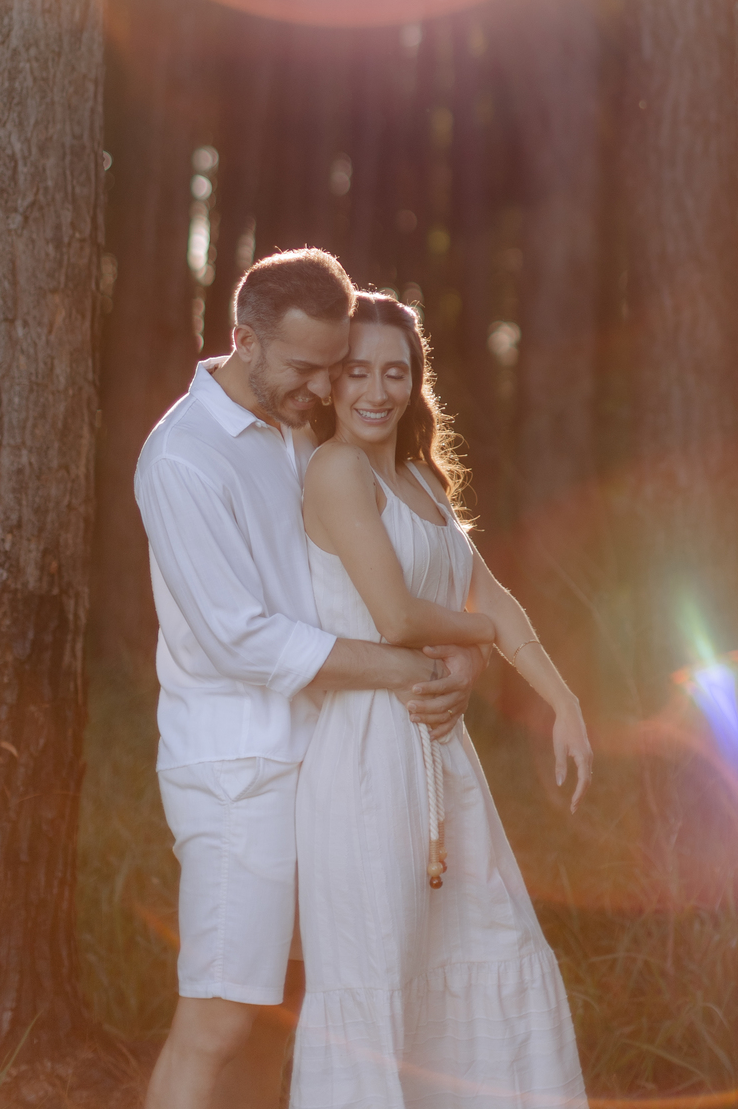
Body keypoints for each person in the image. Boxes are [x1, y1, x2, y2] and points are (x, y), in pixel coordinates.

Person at [136, 250, 485, 1109]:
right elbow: (238, 639)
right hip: (238, 773)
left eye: (332, 366)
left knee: (281, 1012)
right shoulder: (184, 458)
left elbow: (401, 576)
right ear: (242, 339)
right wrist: (408, 666)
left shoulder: (305, 431)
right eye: (303, 367)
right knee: (217, 1018)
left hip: (328, 763)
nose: (321, 386)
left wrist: (463, 656)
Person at [291, 291, 592, 1109]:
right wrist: (471, 648)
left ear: (416, 382)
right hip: (363, 760)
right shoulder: (336, 469)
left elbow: (488, 597)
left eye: (396, 372)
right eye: (357, 372)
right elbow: (394, 616)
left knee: (490, 944)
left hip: (440, 756)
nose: (376, 391)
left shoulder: (423, 480)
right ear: (332, 382)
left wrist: (561, 700)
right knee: (379, 983)